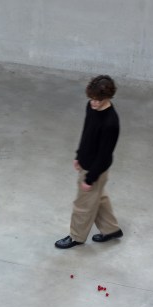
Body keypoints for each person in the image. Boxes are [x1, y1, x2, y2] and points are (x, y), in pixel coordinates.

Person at [55, 74, 123, 249]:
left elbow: (104, 154)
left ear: (108, 97)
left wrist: (90, 178)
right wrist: (79, 155)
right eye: (92, 99)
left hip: (95, 169)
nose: (94, 103)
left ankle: (76, 237)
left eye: (99, 100)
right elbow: (87, 133)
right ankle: (111, 229)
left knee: (82, 206)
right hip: (86, 163)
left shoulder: (110, 123)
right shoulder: (91, 107)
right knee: (98, 197)